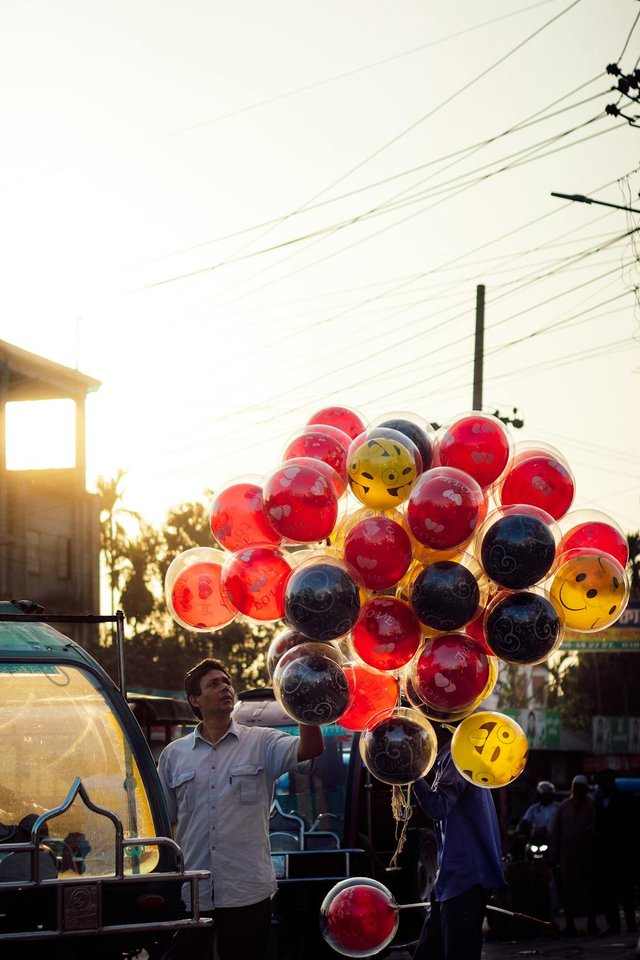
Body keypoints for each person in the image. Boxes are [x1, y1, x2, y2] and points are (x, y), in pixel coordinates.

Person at [157, 657, 323, 960]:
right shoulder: (173, 756)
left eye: (226, 682)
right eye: (213, 684)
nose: (225, 687)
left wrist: (303, 699)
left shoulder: (261, 741)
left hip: (248, 889)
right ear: (195, 699)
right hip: (194, 891)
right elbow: (166, 825)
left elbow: (310, 748)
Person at [411, 726, 505, 960]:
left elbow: (438, 806)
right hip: (451, 880)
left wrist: (411, 772)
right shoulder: (450, 756)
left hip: (464, 879)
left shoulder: (457, 755)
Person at [550, 774, 600, 936]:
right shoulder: (564, 807)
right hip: (568, 859)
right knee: (568, 893)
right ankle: (570, 924)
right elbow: (557, 833)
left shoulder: (592, 805)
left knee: (589, 892)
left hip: (587, 857)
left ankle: (592, 923)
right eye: (576, 789)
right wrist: (554, 855)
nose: (578, 792)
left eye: (581, 789)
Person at [594, 768, 638, 936]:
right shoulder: (598, 801)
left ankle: (631, 924)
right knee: (609, 892)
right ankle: (614, 925)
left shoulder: (626, 800)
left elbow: (633, 826)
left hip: (623, 853)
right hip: (605, 854)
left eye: (605, 781)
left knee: (626, 891)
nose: (603, 785)